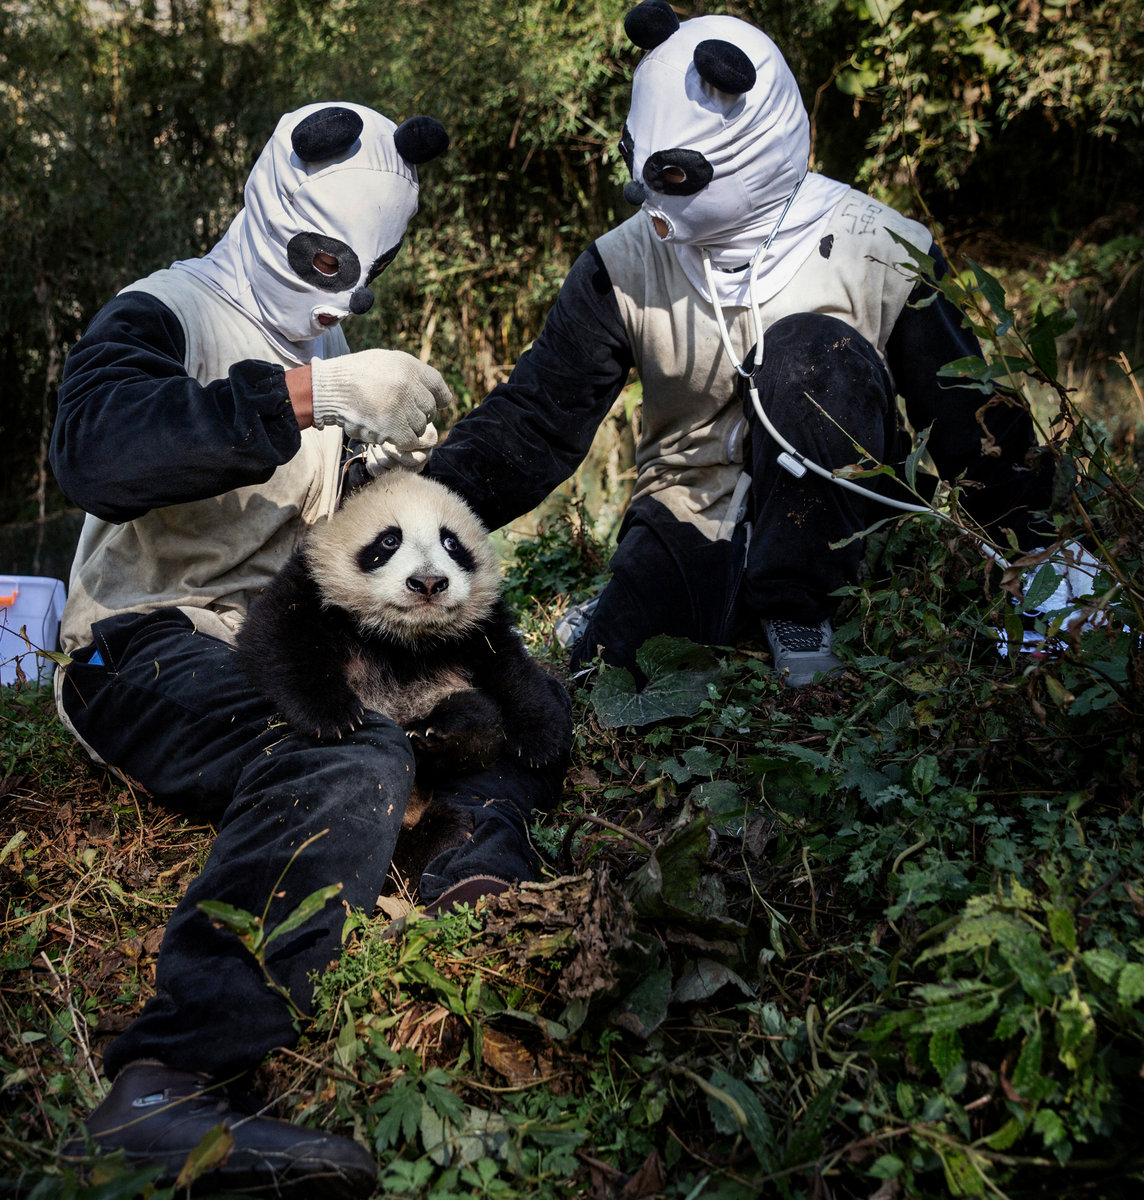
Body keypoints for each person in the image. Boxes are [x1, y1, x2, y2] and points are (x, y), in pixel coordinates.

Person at [52, 102, 561, 1198]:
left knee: (512, 701)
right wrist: (307, 395)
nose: (336, 297)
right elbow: (96, 453)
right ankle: (167, 1081)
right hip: (139, 642)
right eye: (324, 259)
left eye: (361, 277)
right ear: (277, 202)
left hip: (280, 631)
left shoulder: (331, 345)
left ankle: (473, 866)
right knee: (348, 750)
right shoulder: (169, 308)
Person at [423, 2, 1056, 687]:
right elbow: (537, 419)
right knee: (610, 669)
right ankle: (646, 603)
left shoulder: (880, 247)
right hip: (689, 502)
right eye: (639, 166)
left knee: (808, 353)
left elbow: (973, 420)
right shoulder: (620, 264)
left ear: (752, 147)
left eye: (669, 177)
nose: (645, 195)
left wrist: (1040, 558)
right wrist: (414, 514)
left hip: (842, 516)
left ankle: (798, 608)